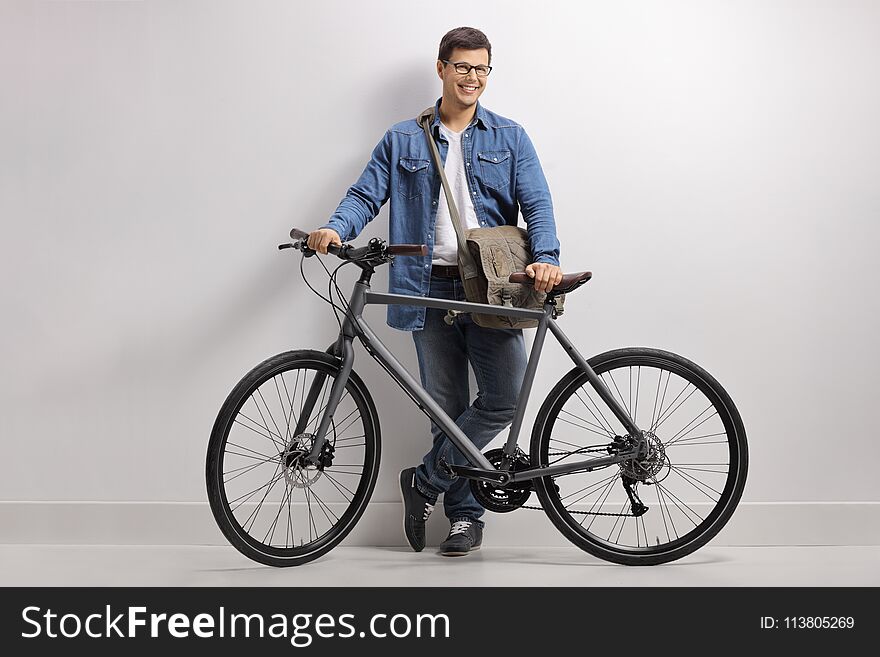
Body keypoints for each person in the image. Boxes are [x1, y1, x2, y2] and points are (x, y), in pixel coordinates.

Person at [308, 27, 562, 557]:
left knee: (504, 398)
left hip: (493, 289)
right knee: (446, 409)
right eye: (463, 67)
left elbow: (536, 204)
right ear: (441, 68)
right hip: (425, 287)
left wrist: (546, 259)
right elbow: (365, 192)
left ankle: (424, 482)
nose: (472, 78)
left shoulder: (509, 137)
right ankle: (465, 518)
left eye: (482, 69)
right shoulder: (404, 138)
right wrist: (336, 229)